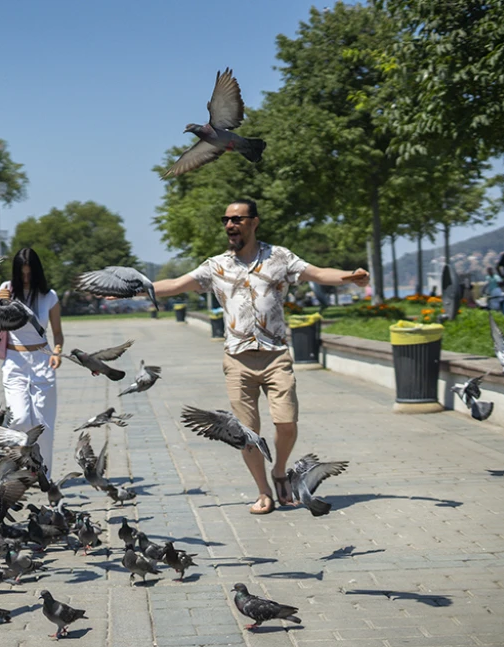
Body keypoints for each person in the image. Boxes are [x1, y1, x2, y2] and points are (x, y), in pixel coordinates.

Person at [150, 200, 369, 515]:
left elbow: (318, 273)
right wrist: (132, 290)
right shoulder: (216, 266)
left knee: (287, 423)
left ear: (254, 222)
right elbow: (174, 284)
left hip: (275, 356)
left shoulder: (279, 258)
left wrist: (350, 276)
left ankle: (279, 470)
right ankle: (264, 492)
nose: (230, 225)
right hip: (237, 360)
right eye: (225, 219)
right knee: (247, 435)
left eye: (237, 219)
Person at [0, 247, 64, 477]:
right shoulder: (6, 289)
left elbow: (57, 333)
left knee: (43, 425)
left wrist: (57, 351)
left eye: (29, 274)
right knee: (21, 418)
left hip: (43, 361)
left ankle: (44, 474)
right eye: (22, 274)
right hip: (14, 361)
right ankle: (16, 464)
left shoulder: (49, 296)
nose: (26, 278)